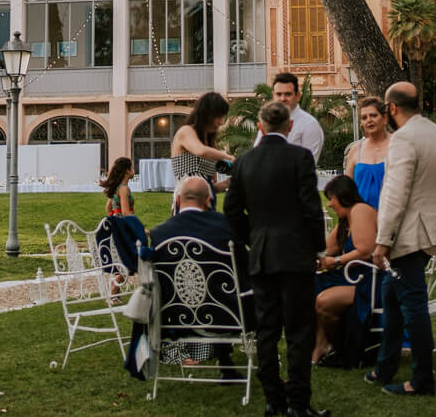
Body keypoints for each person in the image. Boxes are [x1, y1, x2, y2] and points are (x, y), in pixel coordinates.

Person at [224, 100, 325, 417]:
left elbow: (230, 211)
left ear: (259, 127)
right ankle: (298, 404)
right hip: (296, 255)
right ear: (290, 126)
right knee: (298, 331)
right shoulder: (300, 157)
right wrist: (317, 247)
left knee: (267, 330)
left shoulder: (244, 162)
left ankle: (272, 400)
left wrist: (253, 237)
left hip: (262, 255)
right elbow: (311, 208)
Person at [369, 81, 436, 398]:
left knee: (414, 306)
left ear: (392, 108)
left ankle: (421, 380)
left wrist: (382, 241)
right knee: (390, 296)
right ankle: (385, 366)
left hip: (409, 235)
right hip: (431, 229)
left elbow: (395, 193)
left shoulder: (403, 139)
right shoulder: (435, 132)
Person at [145, 175, 243, 382]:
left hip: (176, 315)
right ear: (208, 201)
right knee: (221, 291)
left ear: (178, 200)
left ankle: (226, 365)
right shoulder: (225, 226)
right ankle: (231, 365)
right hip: (227, 315)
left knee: (210, 292)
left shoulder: (159, 233)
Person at [311, 173, 380, 367]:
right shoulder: (345, 220)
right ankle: (321, 346)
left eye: (331, 199)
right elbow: (326, 249)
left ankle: (345, 350)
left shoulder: (359, 210)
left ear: (342, 195)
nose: (330, 204)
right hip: (351, 277)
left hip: (368, 280)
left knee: (323, 301)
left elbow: (366, 250)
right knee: (307, 287)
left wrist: (337, 260)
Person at [171, 92, 234, 191]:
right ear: (207, 114)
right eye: (219, 117)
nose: (221, 122)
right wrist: (227, 156)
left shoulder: (210, 143)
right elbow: (200, 151)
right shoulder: (186, 131)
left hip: (206, 203)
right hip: (187, 202)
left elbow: (211, 187)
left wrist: (229, 182)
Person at [100, 156, 147, 274]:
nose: (133, 170)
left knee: (127, 262)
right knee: (135, 255)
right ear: (127, 171)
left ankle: (116, 287)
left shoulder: (117, 187)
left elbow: (108, 207)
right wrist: (138, 227)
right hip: (125, 226)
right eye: (132, 168)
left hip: (118, 225)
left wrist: (114, 217)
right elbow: (126, 212)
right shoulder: (124, 189)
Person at [344, 95, 392, 208]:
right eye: (364, 118)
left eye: (373, 115)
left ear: (384, 118)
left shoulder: (397, 145)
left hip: (392, 216)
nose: (369, 120)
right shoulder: (355, 149)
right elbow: (346, 187)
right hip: (362, 217)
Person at [272, 72, 324, 163]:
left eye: (288, 94)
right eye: (279, 94)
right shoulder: (268, 122)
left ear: (298, 96)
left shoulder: (309, 124)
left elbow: (308, 164)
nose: (283, 98)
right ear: (273, 96)